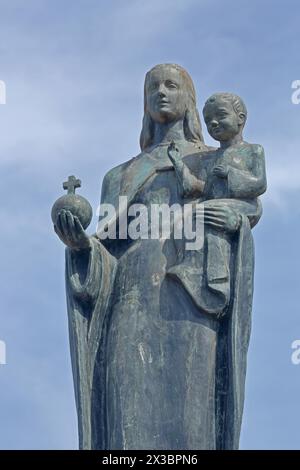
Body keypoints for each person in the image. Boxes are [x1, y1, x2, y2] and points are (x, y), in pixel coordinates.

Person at [53, 64, 264, 450]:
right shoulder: (120, 176)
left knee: (193, 406)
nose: (161, 93)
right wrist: (82, 250)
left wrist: (232, 218)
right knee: (125, 403)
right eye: (153, 87)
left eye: (171, 85)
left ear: (189, 99)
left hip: (190, 295)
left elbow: (246, 210)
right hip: (130, 296)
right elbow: (105, 248)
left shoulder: (212, 160)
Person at [166, 92, 267, 316]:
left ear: (240, 118)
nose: (214, 123)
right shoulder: (210, 158)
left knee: (207, 213)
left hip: (244, 205)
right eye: (208, 119)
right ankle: (191, 267)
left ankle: (217, 281)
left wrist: (231, 174)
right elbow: (202, 188)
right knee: (190, 218)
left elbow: (259, 184)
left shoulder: (252, 151)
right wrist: (179, 165)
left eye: (220, 115)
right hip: (216, 204)